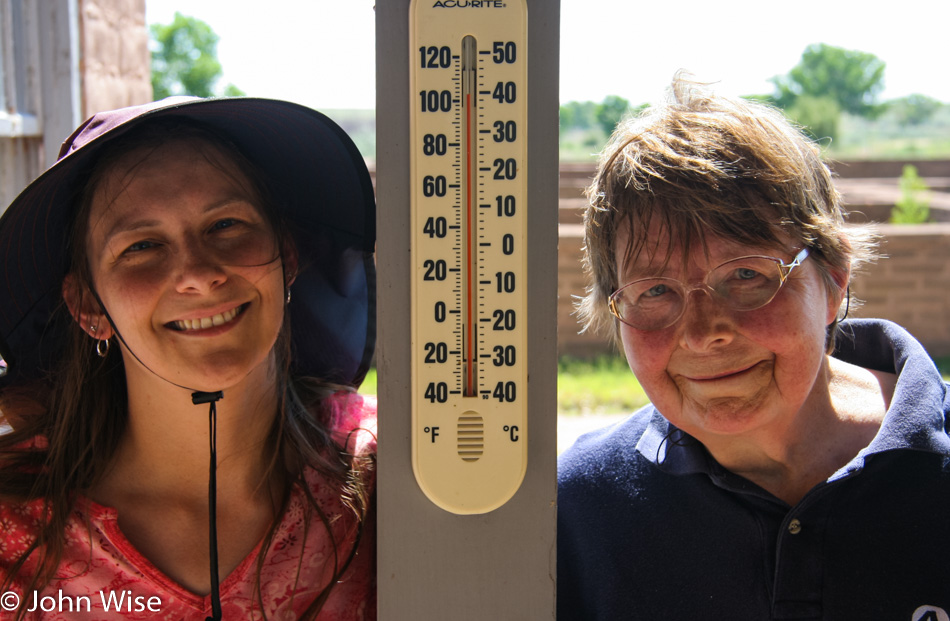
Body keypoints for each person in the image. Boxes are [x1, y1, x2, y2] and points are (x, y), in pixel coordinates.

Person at [558, 74, 950, 620]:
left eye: (746, 275)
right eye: (655, 291)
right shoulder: (578, 510)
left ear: (834, 280)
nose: (701, 332)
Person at [0, 97, 377, 620]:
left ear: (287, 256)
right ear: (88, 305)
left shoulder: (392, 474)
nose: (198, 273)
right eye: (142, 246)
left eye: (226, 225)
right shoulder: (13, 533)